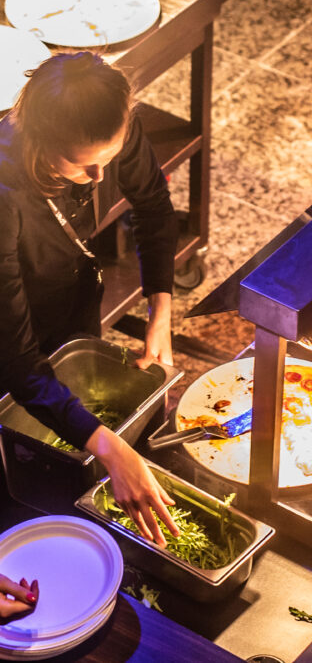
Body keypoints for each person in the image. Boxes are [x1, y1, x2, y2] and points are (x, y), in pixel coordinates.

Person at [0, 52, 180, 546]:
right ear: (40, 142)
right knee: (20, 464)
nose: (101, 178)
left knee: (73, 412)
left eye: (109, 157)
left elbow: (154, 207)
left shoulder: (110, 126)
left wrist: (160, 311)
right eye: (83, 166)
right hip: (9, 326)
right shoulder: (5, 194)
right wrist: (112, 449)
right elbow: (18, 364)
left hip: (71, 293)